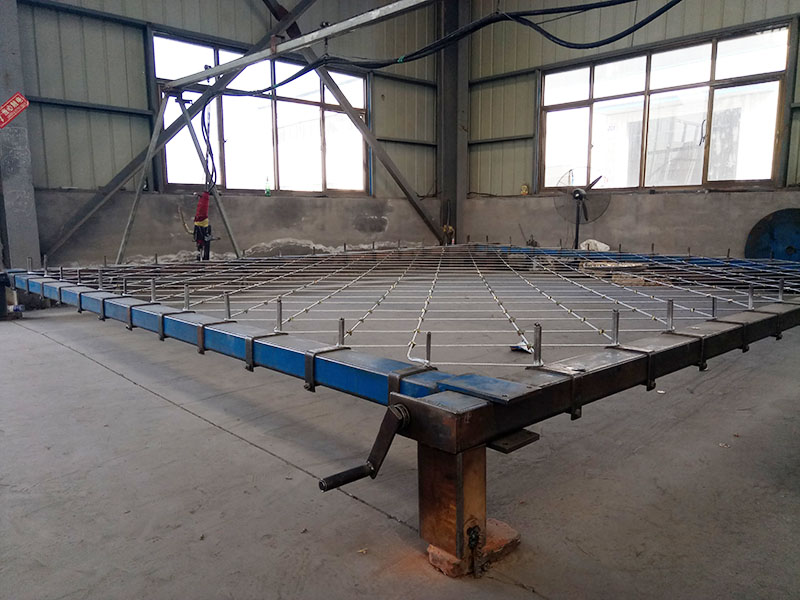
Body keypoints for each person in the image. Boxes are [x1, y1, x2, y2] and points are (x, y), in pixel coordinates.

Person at [193, 191, 212, 261]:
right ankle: (200, 255)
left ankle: (200, 255)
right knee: (202, 207)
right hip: (201, 222)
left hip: (200, 222)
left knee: (202, 207)